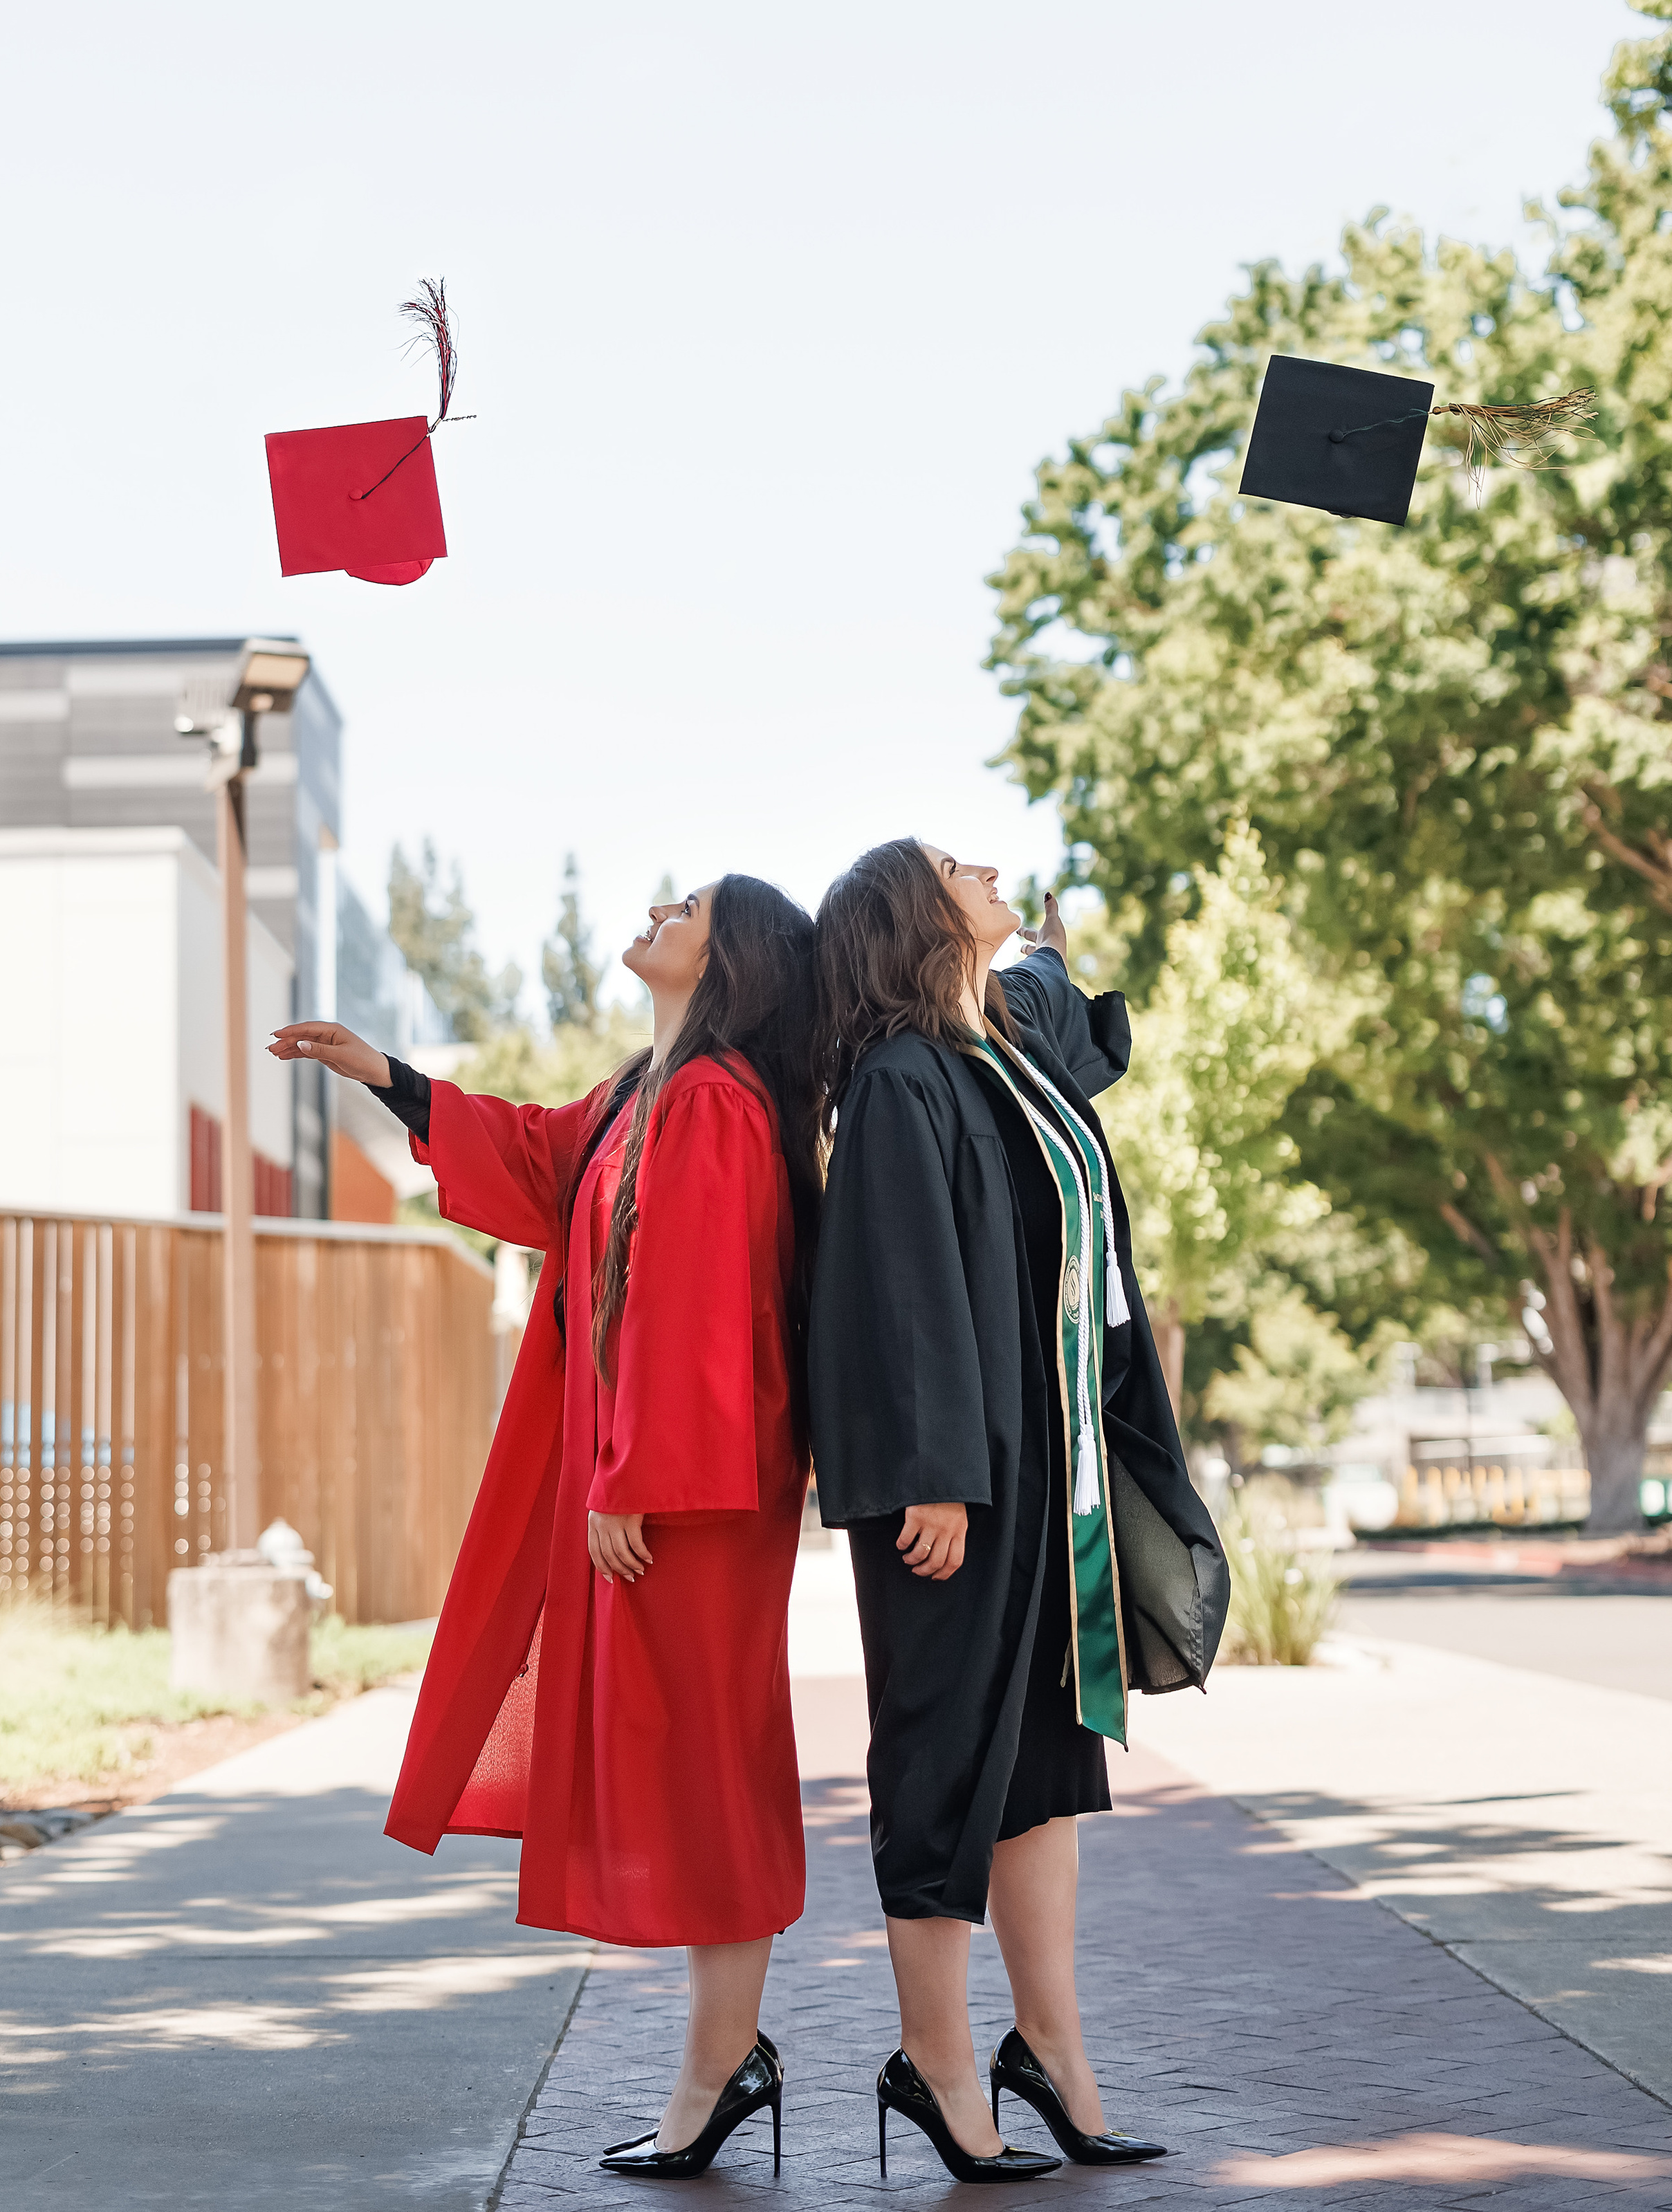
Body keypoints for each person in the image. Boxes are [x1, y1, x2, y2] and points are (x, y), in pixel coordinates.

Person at [268, 876, 821, 2182]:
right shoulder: (644, 1092)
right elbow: (531, 1156)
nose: (655, 909)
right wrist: (388, 1077)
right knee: (689, 1764)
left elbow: (701, 1312)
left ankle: (721, 2066)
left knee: (710, 1767)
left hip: (692, 1503)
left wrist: (631, 1478)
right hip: (656, 1489)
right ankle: (724, 2055)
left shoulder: (717, 1105)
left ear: (730, 956)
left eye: (685, 904)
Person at [808, 840, 1227, 2186]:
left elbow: (1063, 1012)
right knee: (940, 1767)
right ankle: (933, 2065)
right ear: (904, 915)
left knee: (1040, 1769)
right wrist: (928, 1469)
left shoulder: (996, 1053)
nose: (980, 860)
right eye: (950, 862)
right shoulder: (894, 1083)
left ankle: (1048, 2053)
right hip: (957, 1488)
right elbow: (892, 1288)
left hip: (1045, 1481)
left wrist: (1034, 950)